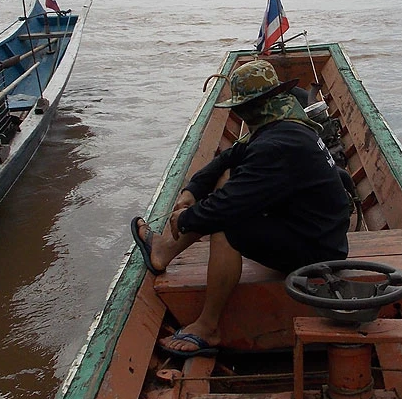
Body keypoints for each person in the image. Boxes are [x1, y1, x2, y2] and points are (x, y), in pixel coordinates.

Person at [131, 59, 351, 357]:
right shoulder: (283, 122)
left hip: (318, 249)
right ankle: (163, 251)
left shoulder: (277, 145)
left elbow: (225, 208)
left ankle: (208, 327)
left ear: (248, 108)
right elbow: (230, 157)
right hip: (310, 227)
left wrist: (185, 219)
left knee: (226, 223)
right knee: (228, 178)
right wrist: (192, 190)